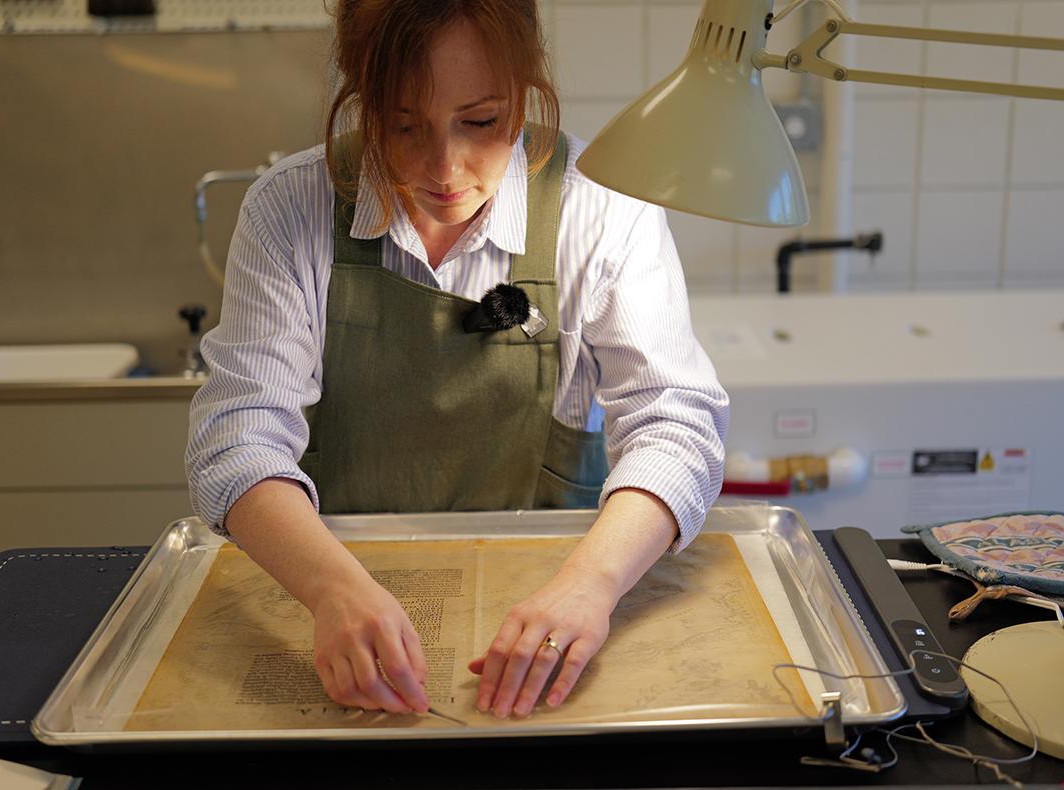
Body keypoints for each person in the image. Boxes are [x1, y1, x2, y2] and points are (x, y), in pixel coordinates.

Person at [186, 0, 729, 721]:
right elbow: (235, 437)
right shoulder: (292, 209)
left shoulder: (602, 208)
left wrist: (592, 584)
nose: (444, 168)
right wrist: (331, 590)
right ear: (358, 95)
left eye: (480, 122)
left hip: (557, 598)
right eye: (402, 125)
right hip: (334, 591)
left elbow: (675, 424)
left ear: (526, 85)